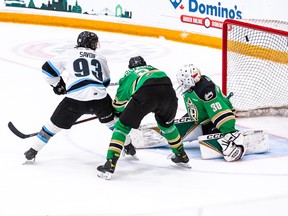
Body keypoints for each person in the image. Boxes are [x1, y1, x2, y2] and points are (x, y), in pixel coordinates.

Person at [24, 31, 136, 162]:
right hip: (100, 102)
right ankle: (129, 146)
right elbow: (105, 82)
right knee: (115, 125)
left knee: (51, 127)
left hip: (75, 102)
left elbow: (47, 70)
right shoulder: (100, 58)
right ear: (90, 44)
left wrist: (58, 84)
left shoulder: (69, 54)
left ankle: (32, 151)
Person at [97, 56, 190, 180]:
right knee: (168, 126)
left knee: (121, 127)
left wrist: (119, 112)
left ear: (130, 67)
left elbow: (119, 103)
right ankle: (181, 155)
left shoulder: (129, 74)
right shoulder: (155, 69)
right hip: (168, 93)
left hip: (146, 94)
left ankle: (110, 163)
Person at [175, 63, 247, 162]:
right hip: (205, 116)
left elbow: (219, 111)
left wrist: (229, 131)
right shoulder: (197, 86)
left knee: (209, 130)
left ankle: (234, 138)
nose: (182, 84)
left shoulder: (205, 90)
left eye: (183, 81)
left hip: (212, 121)